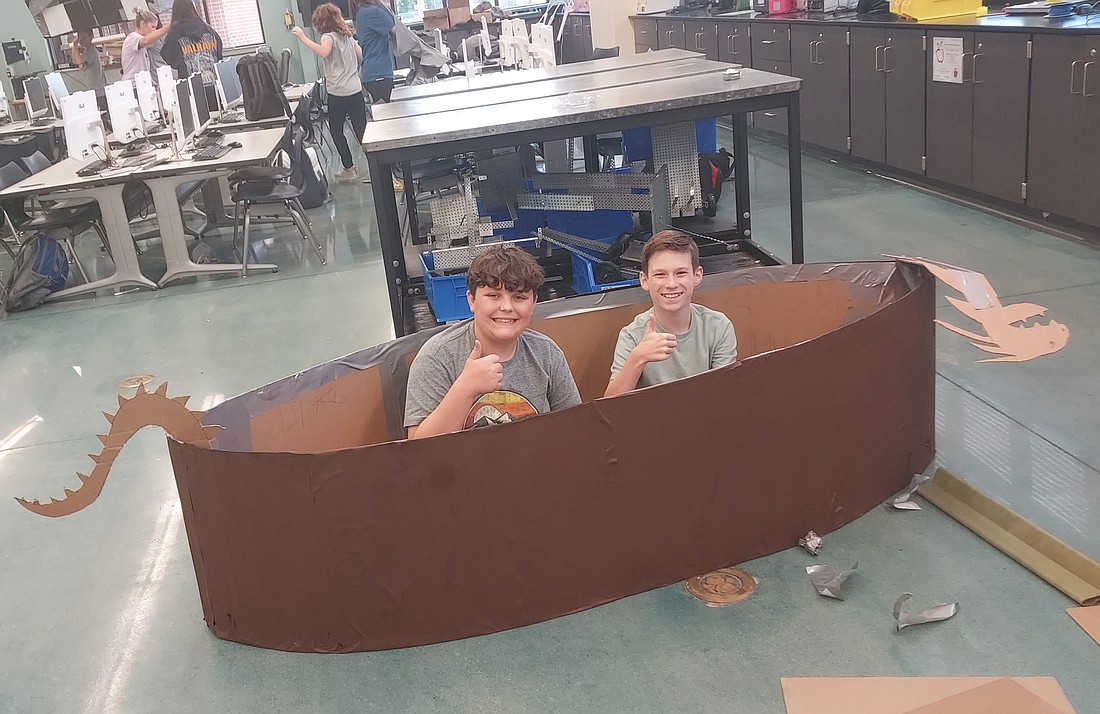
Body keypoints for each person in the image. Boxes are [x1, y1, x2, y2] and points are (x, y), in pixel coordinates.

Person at [405, 245, 581, 440]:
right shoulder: (436, 357)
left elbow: (574, 429)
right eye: (493, 296)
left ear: (533, 304)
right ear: (471, 300)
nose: (506, 307)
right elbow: (418, 448)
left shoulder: (547, 354)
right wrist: (465, 388)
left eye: (519, 297)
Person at [604, 230, 737, 397]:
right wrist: (638, 358)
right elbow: (610, 406)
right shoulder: (632, 336)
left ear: (697, 275)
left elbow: (724, 396)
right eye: (660, 274)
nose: (671, 284)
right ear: (644, 280)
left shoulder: (718, 327)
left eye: (680, 273)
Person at [292, 4, 365, 182]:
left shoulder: (328, 37)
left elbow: (324, 52)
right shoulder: (346, 35)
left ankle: (349, 168)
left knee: (336, 130)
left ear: (321, 22)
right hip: (355, 90)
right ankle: (378, 165)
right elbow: (360, 54)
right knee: (362, 130)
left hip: (338, 93)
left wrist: (303, 38)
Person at [161, 0, 223, 105]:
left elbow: (167, 56)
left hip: (191, 94)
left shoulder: (174, 35)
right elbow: (219, 56)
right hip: (215, 91)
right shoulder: (209, 30)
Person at [352, 0, 395, 103]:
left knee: (384, 113)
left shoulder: (360, 12)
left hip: (371, 72)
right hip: (379, 73)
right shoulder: (373, 12)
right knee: (387, 114)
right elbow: (398, 31)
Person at [121, 9, 171, 80]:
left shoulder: (140, 42)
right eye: (152, 27)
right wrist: (169, 27)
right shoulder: (133, 37)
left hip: (142, 83)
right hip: (133, 84)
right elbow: (145, 40)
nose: (154, 30)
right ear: (143, 24)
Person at [71, 30, 106, 111]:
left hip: (98, 92)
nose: (81, 41)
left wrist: (75, 44)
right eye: (80, 38)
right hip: (94, 90)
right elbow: (75, 61)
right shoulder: (86, 51)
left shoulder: (91, 51)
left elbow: (79, 61)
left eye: (84, 38)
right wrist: (74, 47)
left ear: (91, 37)